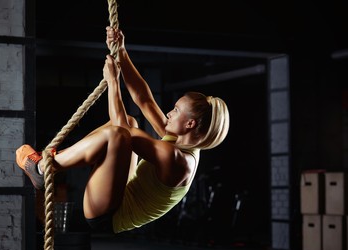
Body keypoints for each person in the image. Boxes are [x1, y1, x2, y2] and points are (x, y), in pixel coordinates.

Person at [16, 27, 229, 234]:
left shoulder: (177, 161)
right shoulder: (181, 139)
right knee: (130, 121)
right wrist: (122, 52)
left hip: (108, 216)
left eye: (176, 110)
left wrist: (113, 82)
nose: (169, 113)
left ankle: (44, 169)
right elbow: (144, 100)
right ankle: (51, 163)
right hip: (121, 190)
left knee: (119, 133)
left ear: (189, 124)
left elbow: (120, 134)